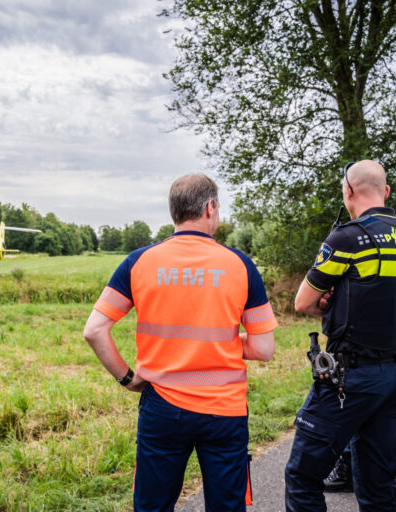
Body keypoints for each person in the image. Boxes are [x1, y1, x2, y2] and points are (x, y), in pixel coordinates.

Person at [83, 173, 278, 512]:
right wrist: (223, 341)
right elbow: (264, 349)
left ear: (174, 212)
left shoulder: (139, 262)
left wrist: (128, 379)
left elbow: (95, 330)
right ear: (210, 208)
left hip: (161, 406)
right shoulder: (240, 265)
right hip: (225, 411)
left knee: (153, 506)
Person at [285, 160, 396, 512]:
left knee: (303, 477)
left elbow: (303, 302)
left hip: (350, 377)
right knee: (377, 484)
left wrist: (330, 305)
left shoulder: (348, 237)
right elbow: (388, 299)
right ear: (387, 192)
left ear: (347, 191)